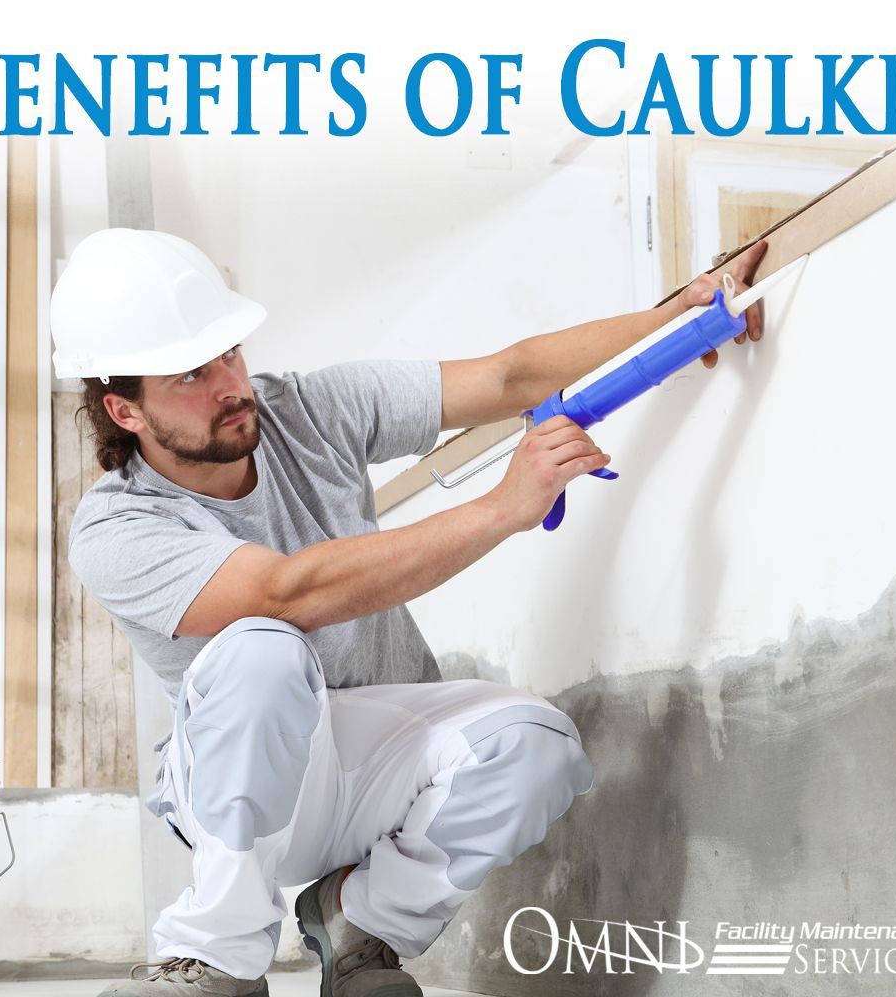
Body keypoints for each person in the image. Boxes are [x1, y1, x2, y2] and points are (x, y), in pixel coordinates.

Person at [53, 229, 768, 997]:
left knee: (536, 743)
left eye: (229, 351)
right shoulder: (116, 528)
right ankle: (217, 960)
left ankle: (359, 925)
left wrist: (679, 319)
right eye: (191, 373)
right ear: (125, 410)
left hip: (379, 763)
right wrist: (503, 509)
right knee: (262, 648)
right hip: (252, 799)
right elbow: (287, 592)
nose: (230, 382)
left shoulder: (308, 409)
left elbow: (509, 375)